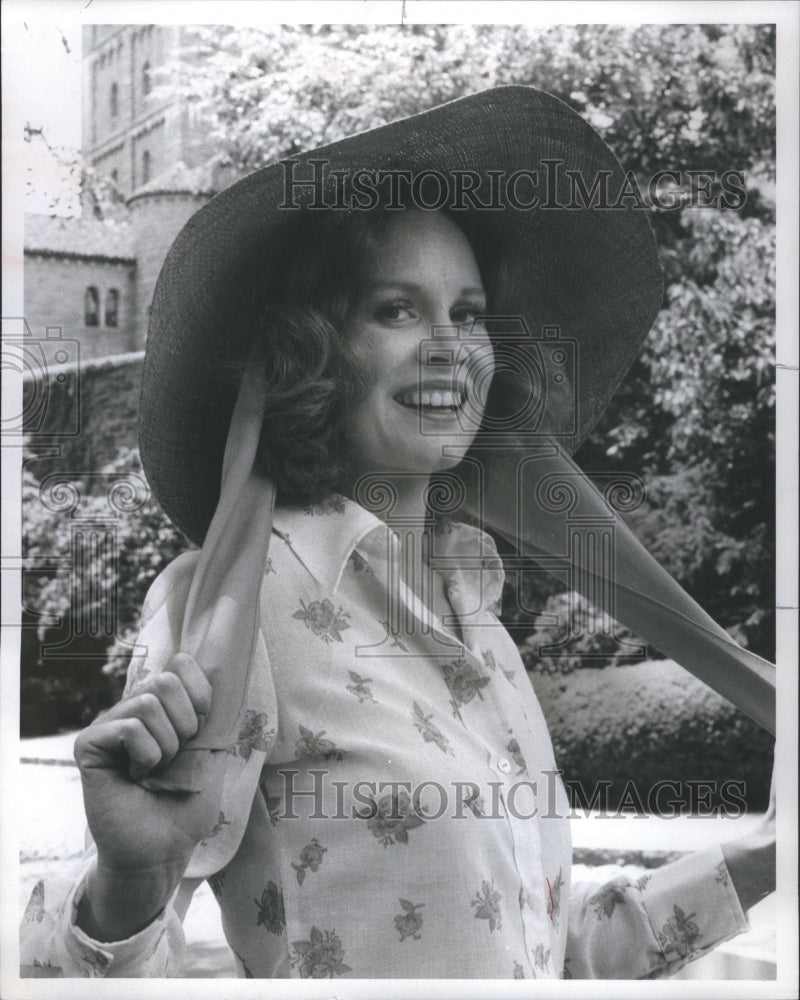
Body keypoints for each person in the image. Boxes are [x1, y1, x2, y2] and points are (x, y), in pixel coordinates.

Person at [20, 86, 775, 980]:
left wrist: (776, 853)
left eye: (468, 311)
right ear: (311, 351)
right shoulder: (237, 601)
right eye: (396, 309)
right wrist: (129, 883)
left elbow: (546, 946)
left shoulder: (473, 609)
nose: (451, 346)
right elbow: (88, 973)